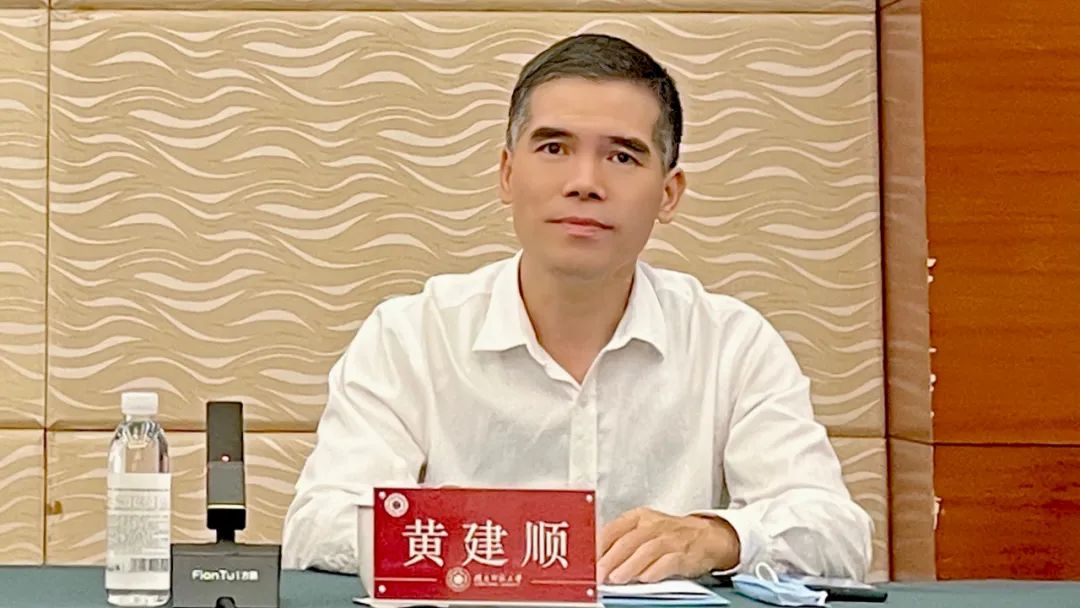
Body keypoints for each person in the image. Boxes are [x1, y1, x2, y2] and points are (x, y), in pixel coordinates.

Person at [282, 33, 873, 588]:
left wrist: (720, 537)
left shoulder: (732, 342)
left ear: (669, 194)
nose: (585, 182)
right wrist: (506, 544)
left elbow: (836, 532)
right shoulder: (411, 335)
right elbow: (320, 522)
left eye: (622, 157)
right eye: (554, 148)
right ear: (507, 174)